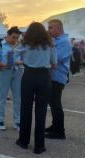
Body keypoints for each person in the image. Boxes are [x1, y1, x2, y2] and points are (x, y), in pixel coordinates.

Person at [12, 22, 57, 154]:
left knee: (26, 108)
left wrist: (21, 41)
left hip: (29, 76)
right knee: (41, 111)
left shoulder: (26, 44)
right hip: (44, 77)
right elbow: (54, 65)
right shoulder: (50, 45)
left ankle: (24, 141)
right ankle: (39, 145)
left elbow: (13, 51)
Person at [0, 26, 23, 131]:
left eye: (17, 38)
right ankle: (0, 120)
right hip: (4, 72)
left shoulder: (19, 45)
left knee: (17, 98)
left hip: (18, 72)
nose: (15, 40)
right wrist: (4, 64)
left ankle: (17, 121)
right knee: (2, 97)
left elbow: (24, 58)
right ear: (8, 35)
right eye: (13, 37)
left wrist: (20, 63)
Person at [46, 19, 71, 140]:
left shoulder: (64, 42)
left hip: (57, 76)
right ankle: (55, 126)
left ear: (59, 29)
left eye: (50, 27)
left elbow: (56, 58)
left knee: (56, 104)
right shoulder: (57, 40)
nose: (48, 30)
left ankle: (60, 131)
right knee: (53, 103)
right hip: (53, 76)